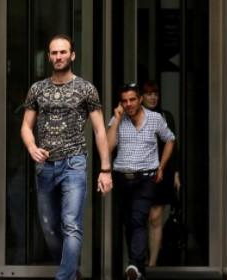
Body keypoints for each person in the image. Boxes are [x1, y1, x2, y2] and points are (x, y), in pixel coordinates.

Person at [20, 34, 113, 280]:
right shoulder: (37, 89)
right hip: (45, 166)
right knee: (50, 227)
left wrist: (105, 169)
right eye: (54, 53)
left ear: (72, 55)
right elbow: (26, 126)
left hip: (74, 163)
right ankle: (71, 269)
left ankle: (65, 277)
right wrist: (31, 147)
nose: (58, 56)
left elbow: (99, 129)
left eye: (63, 52)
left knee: (71, 224)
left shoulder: (86, 88)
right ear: (49, 56)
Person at [108, 83, 175, 280]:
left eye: (132, 100)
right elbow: (109, 146)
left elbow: (170, 139)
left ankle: (134, 264)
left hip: (146, 179)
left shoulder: (155, 119)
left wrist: (161, 166)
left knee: (138, 219)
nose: (128, 104)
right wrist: (117, 120)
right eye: (124, 101)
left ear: (139, 100)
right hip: (122, 178)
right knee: (129, 223)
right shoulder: (117, 119)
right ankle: (138, 270)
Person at [139, 82, 179, 268]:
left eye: (155, 93)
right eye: (148, 94)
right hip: (140, 173)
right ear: (142, 97)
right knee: (140, 217)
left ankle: (152, 264)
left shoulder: (165, 116)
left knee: (155, 217)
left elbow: (173, 145)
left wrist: (176, 173)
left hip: (162, 173)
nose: (153, 97)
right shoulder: (135, 117)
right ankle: (140, 258)